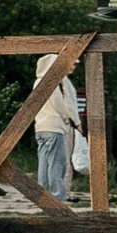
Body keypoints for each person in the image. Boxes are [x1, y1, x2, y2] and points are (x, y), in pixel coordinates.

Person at [33, 61, 87, 200]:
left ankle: (42, 196)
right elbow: (63, 104)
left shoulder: (38, 82)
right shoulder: (57, 82)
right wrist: (74, 121)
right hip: (55, 126)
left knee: (44, 164)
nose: (73, 67)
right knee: (58, 164)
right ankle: (57, 198)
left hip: (41, 126)